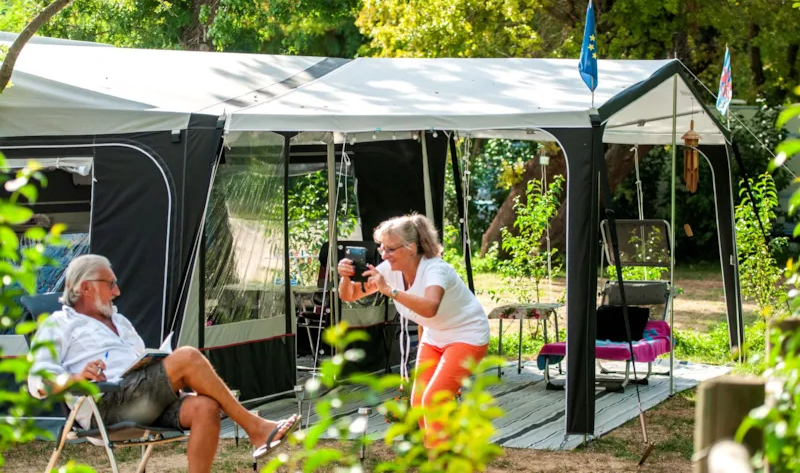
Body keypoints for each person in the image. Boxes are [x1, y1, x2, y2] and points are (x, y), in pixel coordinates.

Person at [28, 254, 299, 472]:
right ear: (84, 287)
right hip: (107, 403)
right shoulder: (58, 324)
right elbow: (38, 381)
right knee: (187, 356)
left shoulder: (120, 322)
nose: (117, 291)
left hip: (143, 399)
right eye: (109, 284)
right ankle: (255, 427)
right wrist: (76, 378)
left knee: (205, 406)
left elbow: (138, 364)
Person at [337, 214, 490, 447]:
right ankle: (436, 457)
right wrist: (345, 278)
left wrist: (390, 291)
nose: (383, 254)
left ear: (411, 248)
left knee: (433, 400)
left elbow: (430, 308)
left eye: (389, 249)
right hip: (435, 335)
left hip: (466, 333)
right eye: (381, 247)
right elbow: (350, 295)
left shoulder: (436, 269)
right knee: (419, 400)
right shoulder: (389, 268)